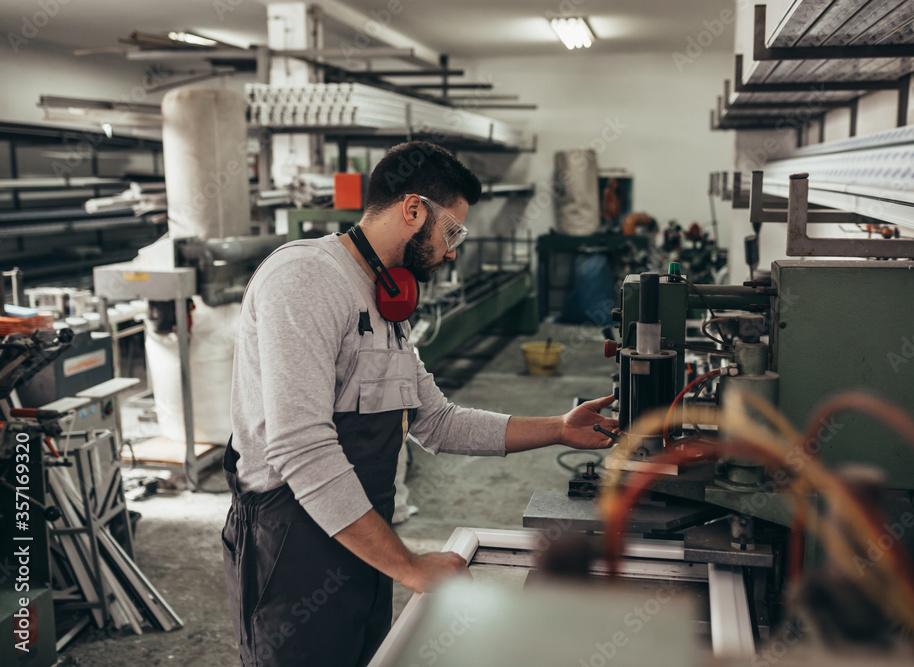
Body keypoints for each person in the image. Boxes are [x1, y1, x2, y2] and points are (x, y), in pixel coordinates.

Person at [222, 141, 619, 666]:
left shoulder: (388, 300)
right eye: (452, 231)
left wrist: (559, 428)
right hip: (292, 547)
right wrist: (408, 565)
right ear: (413, 210)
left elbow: (437, 422)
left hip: (363, 535)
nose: (453, 250)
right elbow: (302, 449)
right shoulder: (305, 279)